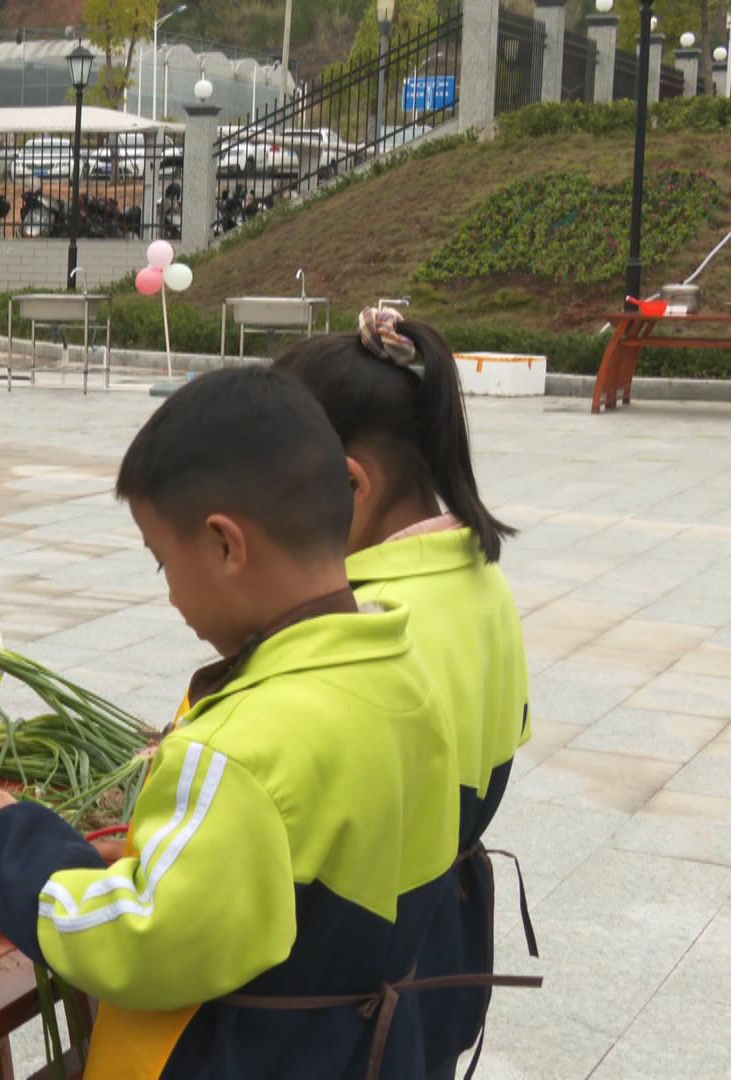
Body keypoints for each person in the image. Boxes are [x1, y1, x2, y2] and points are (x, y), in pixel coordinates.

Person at [0, 367, 463, 1079]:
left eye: (163, 561)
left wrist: (14, 847)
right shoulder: (408, 679)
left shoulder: (239, 750)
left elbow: (143, 943)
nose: (169, 593)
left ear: (226, 544)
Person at [272, 309, 531, 1077]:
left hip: (351, 976)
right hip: (440, 936)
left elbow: (306, 819)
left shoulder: (369, 621)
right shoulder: (479, 580)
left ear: (350, 482)